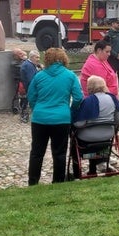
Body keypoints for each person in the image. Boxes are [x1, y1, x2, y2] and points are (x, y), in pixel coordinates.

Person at [27, 48, 83, 185]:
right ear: (64, 59)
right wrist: (69, 110)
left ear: (47, 60)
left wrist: (37, 109)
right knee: (59, 152)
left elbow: (31, 96)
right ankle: (58, 182)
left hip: (40, 119)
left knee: (37, 152)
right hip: (61, 118)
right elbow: (78, 97)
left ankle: (33, 182)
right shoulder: (70, 76)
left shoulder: (39, 76)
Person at [71, 75, 119, 178]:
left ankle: (78, 172)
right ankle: (99, 163)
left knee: (74, 137)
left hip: (88, 137)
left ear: (89, 87)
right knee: (100, 140)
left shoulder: (87, 102)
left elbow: (79, 124)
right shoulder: (112, 98)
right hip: (107, 135)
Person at [105, 18, 119, 100]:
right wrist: (116, 55)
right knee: (112, 77)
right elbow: (108, 46)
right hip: (113, 59)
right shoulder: (109, 34)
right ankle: (111, 94)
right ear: (113, 24)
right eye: (117, 23)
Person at [19, 50, 41, 123]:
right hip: (29, 88)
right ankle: (24, 117)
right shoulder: (29, 66)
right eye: (37, 57)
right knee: (27, 103)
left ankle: (24, 116)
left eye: (39, 57)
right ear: (31, 57)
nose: (38, 59)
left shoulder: (29, 64)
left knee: (25, 103)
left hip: (28, 87)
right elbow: (31, 79)